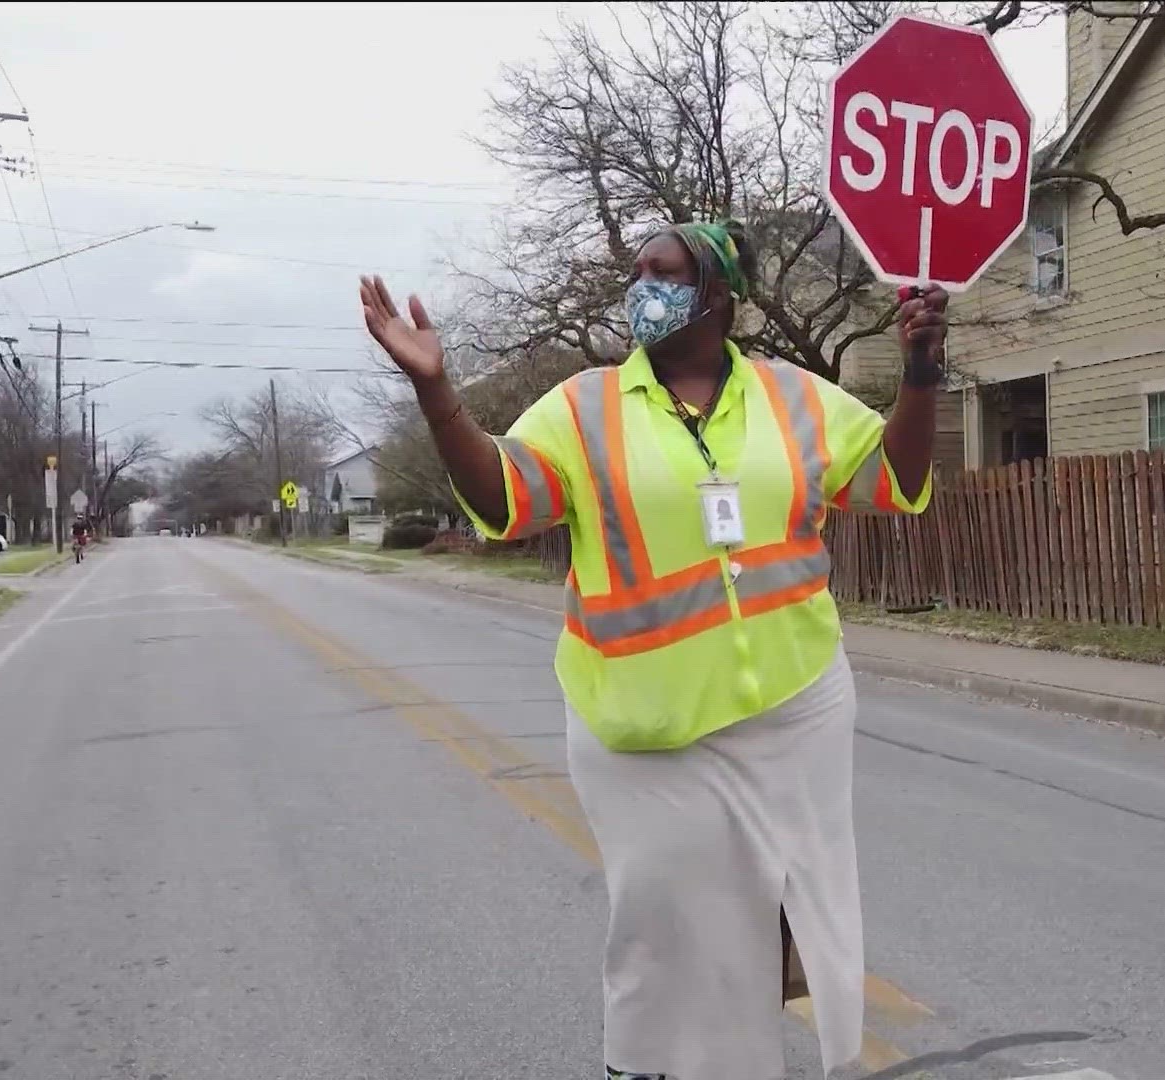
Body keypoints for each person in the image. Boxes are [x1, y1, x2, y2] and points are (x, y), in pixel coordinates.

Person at [359, 219, 943, 1080]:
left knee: (767, 916)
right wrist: (438, 394)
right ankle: (640, 1065)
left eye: (662, 272)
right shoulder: (584, 406)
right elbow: (505, 498)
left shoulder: (796, 398)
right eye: (634, 273)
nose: (641, 287)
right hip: (641, 723)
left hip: (794, 706)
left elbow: (894, 480)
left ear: (717, 295)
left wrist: (923, 377)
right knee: (662, 918)